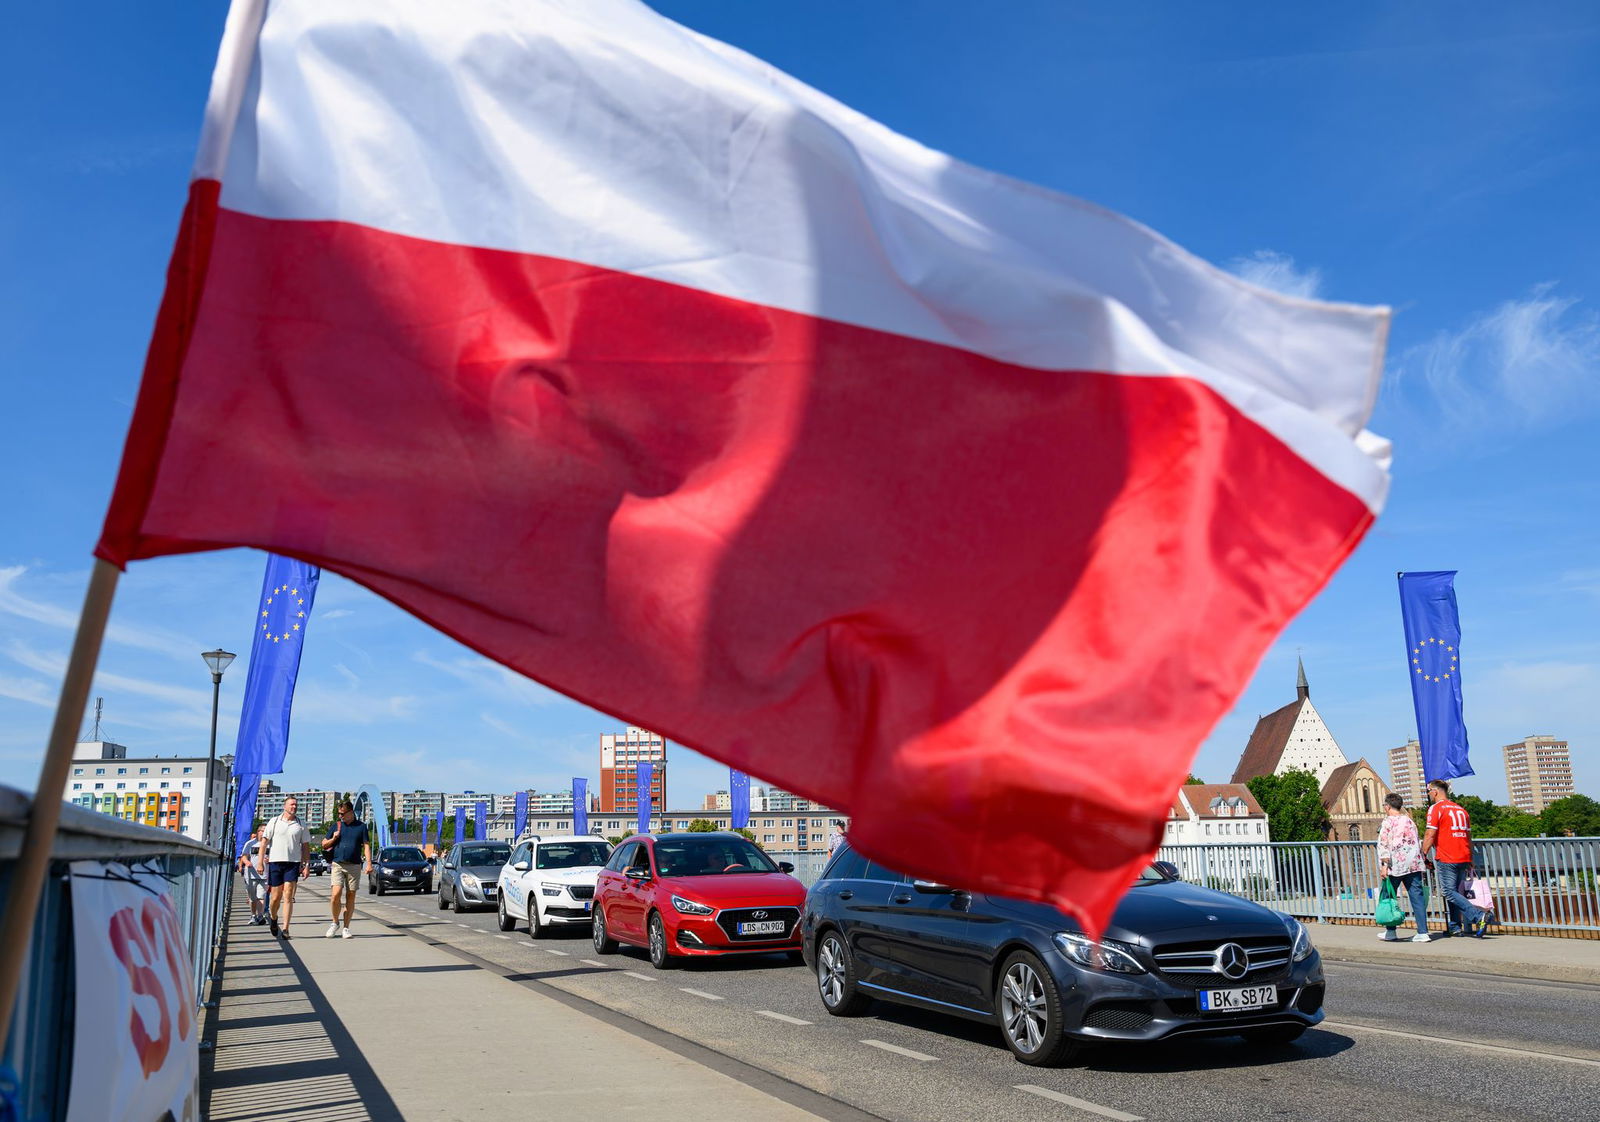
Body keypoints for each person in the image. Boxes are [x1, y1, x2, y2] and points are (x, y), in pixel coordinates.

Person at [1422, 779, 1489, 938]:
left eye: (1429, 792)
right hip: (1463, 855)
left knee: (1448, 892)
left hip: (1447, 855)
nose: (1429, 795)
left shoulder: (1435, 809)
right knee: (1456, 891)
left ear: (1435, 791)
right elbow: (1468, 835)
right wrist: (1470, 857)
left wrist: (1423, 853)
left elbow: (1430, 834)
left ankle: (1479, 916)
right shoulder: (1461, 809)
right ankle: (1455, 926)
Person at [1376, 793, 1430, 943]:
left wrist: (1384, 866)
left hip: (1395, 865)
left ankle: (1391, 931)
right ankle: (1423, 932)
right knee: (1417, 898)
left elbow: (1384, 845)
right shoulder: (1409, 821)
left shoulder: (1387, 822)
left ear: (1387, 806)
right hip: (1413, 864)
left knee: (1389, 897)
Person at [321, 799, 372, 939]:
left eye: (342, 813)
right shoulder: (336, 826)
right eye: (339, 813)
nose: (340, 816)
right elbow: (324, 844)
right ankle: (335, 922)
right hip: (338, 864)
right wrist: (333, 838)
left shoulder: (361, 827)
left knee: (351, 896)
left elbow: (366, 845)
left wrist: (369, 864)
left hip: (354, 865)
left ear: (351, 812)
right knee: (335, 895)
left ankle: (346, 927)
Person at [261, 795, 310, 939]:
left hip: (292, 863)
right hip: (276, 861)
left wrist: (306, 865)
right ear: (285, 806)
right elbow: (264, 842)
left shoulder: (300, 824)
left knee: (288, 894)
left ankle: (286, 928)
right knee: (275, 897)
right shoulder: (274, 821)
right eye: (291, 805)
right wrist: (260, 863)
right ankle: (274, 918)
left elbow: (306, 846)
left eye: (295, 805)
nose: (294, 807)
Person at [238, 825, 269, 925]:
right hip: (251, 874)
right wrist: (247, 862)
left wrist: (269, 860)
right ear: (258, 832)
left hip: (264, 875)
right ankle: (253, 915)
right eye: (262, 831)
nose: (264, 833)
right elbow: (244, 856)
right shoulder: (250, 843)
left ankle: (260, 916)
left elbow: (273, 857)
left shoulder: (270, 844)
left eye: (266, 831)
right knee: (252, 898)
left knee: (261, 896)